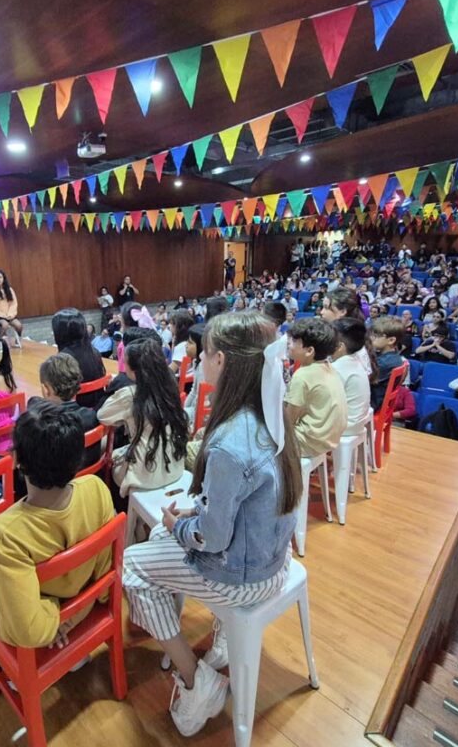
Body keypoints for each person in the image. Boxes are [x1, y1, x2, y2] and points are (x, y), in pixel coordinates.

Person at [121, 312, 299, 737]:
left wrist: (184, 526)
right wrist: (191, 517)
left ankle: (194, 678)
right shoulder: (271, 412)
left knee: (132, 565)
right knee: (169, 530)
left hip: (245, 576)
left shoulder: (231, 439)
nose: (197, 362)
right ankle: (221, 636)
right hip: (275, 557)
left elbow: (213, 537)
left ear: (220, 360)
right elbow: (239, 509)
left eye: (203, 355)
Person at [0, 402, 115, 649]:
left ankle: (3, 665)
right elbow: (105, 568)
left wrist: (58, 613)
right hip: (84, 596)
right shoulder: (96, 487)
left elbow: (29, 632)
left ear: (15, 459)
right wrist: (82, 607)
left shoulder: (6, 532)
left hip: (45, 623)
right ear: (77, 458)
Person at [98, 338, 188, 504]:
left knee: (112, 458)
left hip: (145, 474)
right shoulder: (170, 388)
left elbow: (102, 415)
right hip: (175, 466)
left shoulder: (131, 394)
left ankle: (120, 507)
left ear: (134, 370)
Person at [285, 318, 347, 456]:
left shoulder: (302, 375)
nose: (289, 344)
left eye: (294, 341)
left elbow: (288, 420)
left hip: (308, 442)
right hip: (329, 438)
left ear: (309, 351)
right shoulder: (328, 366)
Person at [52, 308, 108, 410]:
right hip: (99, 409)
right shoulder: (94, 352)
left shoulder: (63, 360)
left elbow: (59, 396)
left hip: (76, 415)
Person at [331, 318, 372, 434]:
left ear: (339, 347)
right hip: (357, 421)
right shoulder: (355, 359)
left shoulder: (337, 368)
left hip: (346, 426)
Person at [368, 316, 405, 411]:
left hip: (371, 403)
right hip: (374, 399)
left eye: (376, 335)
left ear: (391, 340)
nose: (371, 338)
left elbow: (363, 379)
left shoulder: (386, 363)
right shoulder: (391, 357)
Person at [0, 269, 23, 338]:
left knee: (19, 326)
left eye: (0, 277)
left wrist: (10, 314)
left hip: (9, 315)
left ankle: (17, 340)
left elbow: (14, 303)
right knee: (5, 325)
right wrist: (3, 315)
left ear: (4, 278)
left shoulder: (9, 289)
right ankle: (0, 341)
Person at [168, 310, 195, 375]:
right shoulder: (191, 341)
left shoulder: (182, 346)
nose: (169, 326)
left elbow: (171, 371)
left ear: (179, 327)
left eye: (171, 323)